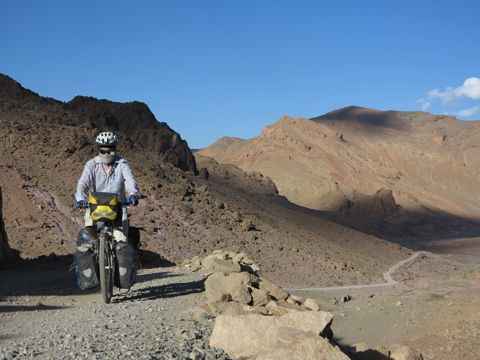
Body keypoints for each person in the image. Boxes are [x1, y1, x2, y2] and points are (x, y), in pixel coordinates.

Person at [75, 131, 139, 248]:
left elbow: (130, 181)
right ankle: (96, 243)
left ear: (114, 148)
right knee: (89, 223)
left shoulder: (122, 164)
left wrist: (133, 194)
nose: (106, 154)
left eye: (109, 151)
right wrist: (80, 199)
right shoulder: (92, 164)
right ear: (98, 150)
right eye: (103, 151)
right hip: (97, 205)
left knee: (121, 243)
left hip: (118, 206)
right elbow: (82, 183)